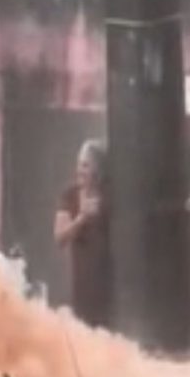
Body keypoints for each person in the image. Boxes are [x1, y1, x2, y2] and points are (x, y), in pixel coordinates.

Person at [54, 139, 111, 327]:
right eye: (79, 164)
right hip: (83, 286)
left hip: (109, 286)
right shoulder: (69, 195)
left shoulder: (111, 195)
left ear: (98, 170)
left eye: (86, 165)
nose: (79, 170)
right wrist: (81, 218)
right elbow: (60, 238)